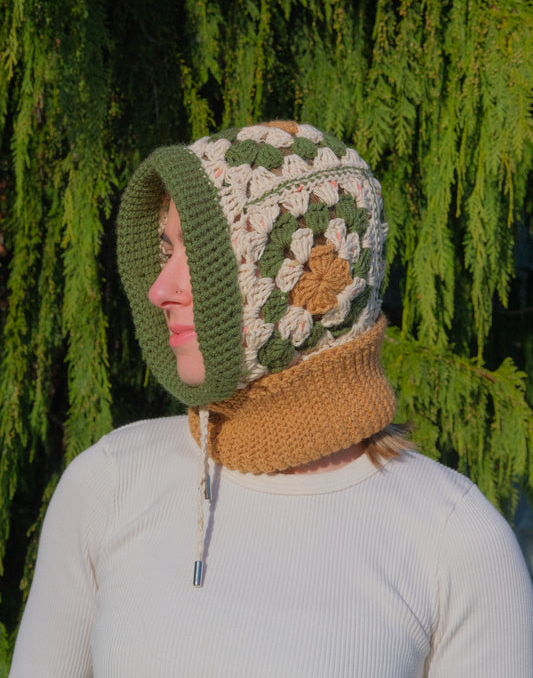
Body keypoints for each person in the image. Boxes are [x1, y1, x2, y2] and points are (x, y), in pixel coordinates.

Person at [10, 121, 533, 676]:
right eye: (167, 251)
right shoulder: (108, 484)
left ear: (297, 290)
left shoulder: (455, 539)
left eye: (200, 256)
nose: (159, 289)